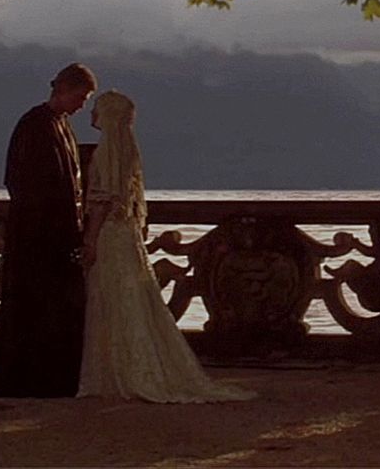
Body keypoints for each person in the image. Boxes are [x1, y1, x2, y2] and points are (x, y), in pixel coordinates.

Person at [78, 90, 254, 403]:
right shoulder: (128, 150)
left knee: (111, 297)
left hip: (109, 235)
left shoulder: (106, 151)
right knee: (131, 298)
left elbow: (101, 202)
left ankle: (116, 371)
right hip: (126, 235)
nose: (92, 115)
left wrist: (90, 239)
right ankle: (136, 367)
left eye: (97, 109)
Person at [0, 63, 98, 398]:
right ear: (64, 89)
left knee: (56, 311)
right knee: (36, 309)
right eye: (80, 97)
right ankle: (29, 380)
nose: (82, 105)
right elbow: (22, 182)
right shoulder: (35, 125)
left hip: (57, 235)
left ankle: (52, 379)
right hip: (36, 237)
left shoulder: (60, 125)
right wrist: (47, 224)